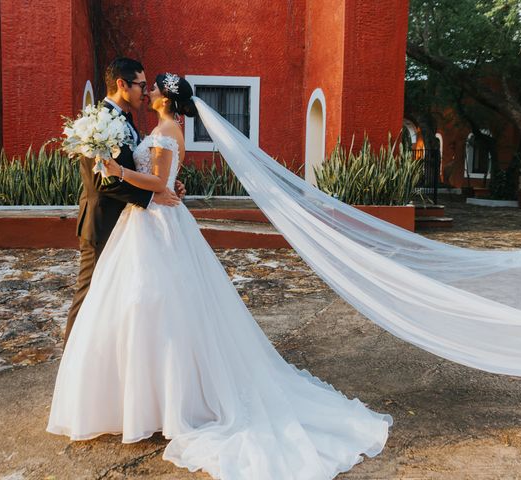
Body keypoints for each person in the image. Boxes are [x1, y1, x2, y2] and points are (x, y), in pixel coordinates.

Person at [47, 72, 392, 480]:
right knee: (148, 305)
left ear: (166, 98)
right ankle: (146, 398)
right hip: (146, 222)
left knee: (157, 305)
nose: (150, 90)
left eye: (156, 87)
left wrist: (119, 172)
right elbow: (162, 178)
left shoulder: (167, 127)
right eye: (148, 84)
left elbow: (156, 181)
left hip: (156, 224)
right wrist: (162, 180)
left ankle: (167, 401)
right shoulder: (160, 127)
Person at [64, 58, 184, 347]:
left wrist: (168, 182)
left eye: (148, 87)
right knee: (88, 295)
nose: (145, 92)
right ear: (121, 84)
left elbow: (139, 167)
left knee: (119, 299)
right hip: (102, 222)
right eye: (141, 85)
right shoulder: (96, 122)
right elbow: (101, 183)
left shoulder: (127, 120)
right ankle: (72, 367)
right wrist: (153, 193)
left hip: (129, 225)